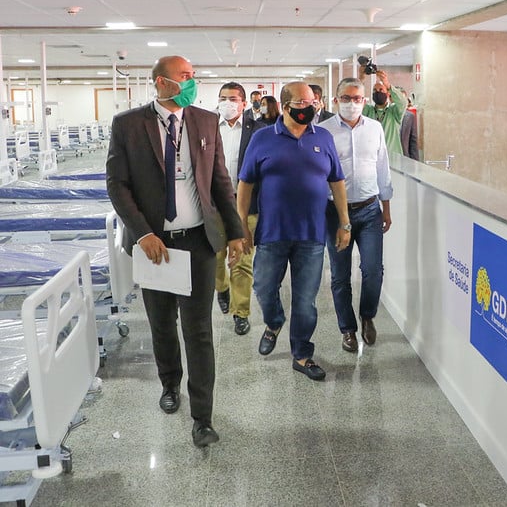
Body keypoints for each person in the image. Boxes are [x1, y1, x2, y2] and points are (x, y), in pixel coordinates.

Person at [106, 55, 244, 447]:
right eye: (185, 76)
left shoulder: (204, 121)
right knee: (162, 324)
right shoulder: (129, 125)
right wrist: (144, 232)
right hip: (155, 247)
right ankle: (170, 384)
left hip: (198, 242)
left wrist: (234, 232)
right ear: (162, 83)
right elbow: (118, 185)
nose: (191, 81)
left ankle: (203, 417)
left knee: (198, 330)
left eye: (192, 76)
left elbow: (220, 180)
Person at [237, 81, 351, 381]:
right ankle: (274, 322)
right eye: (303, 103)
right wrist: (241, 228)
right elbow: (245, 184)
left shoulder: (323, 137)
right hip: (272, 233)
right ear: (286, 107)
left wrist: (344, 223)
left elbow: (337, 182)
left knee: (305, 300)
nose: (310, 108)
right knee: (262, 287)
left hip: (312, 235)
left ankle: (301, 354)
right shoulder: (262, 138)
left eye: (313, 102)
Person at [319, 78, 393, 351]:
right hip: (335, 214)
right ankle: (347, 329)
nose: (352, 103)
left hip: (370, 209)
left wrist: (386, 207)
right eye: (346, 98)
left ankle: (367, 317)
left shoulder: (374, 128)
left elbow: (382, 168)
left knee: (373, 270)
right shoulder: (322, 131)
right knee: (340, 275)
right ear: (336, 99)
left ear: (365, 100)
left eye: (357, 98)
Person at [214, 82, 267, 335]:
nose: (228, 103)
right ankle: (221, 288)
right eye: (223, 98)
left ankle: (241, 312)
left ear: (244, 103)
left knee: (242, 262)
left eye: (233, 98)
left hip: (247, 206)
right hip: (214, 206)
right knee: (215, 257)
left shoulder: (258, 131)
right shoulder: (209, 128)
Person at [360, 67, 406, 156]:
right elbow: (356, 99)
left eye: (381, 90)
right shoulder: (368, 110)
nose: (378, 92)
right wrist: (361, 79)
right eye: (375, 90)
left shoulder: (393, 111)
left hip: (392, 157)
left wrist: (387, 84)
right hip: (371, 156)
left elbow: (403, 102)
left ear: (388, 93)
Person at [398, 88, 419, 161]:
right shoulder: (385, 115)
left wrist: (415, 164)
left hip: (404, 157)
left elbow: (413, 141)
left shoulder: (410, 116)